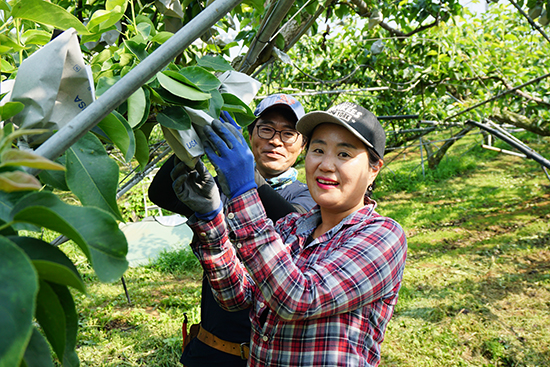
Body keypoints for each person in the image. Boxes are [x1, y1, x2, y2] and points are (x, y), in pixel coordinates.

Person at [174, 101, 408, 367]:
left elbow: (298, 299)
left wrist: (244, 192)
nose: (326, 165)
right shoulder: (291, 227)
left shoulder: (383, 236)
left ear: (374, 169)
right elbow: (238, 297)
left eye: (344, 154)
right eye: (318, 150)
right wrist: (212, 220)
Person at [148, 94, 316, 367]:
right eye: (266, 129)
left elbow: (293, 222)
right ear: (249, 135)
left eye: (289, 134)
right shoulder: (217, 189)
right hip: (212, 347)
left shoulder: (309, 197)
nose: (276, 140)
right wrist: (196, 136)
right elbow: (161, 193)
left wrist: (246, 179)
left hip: (273, 354)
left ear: (303, 145)